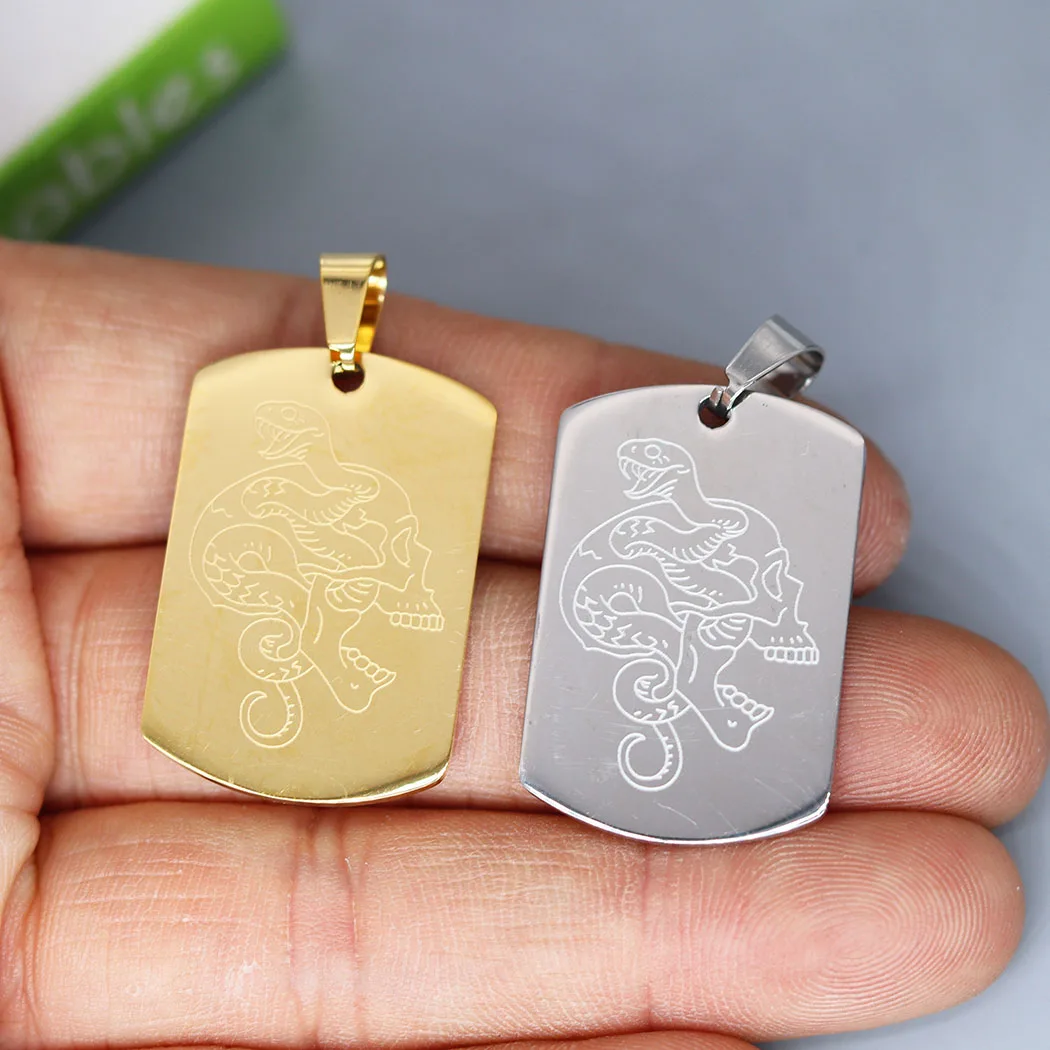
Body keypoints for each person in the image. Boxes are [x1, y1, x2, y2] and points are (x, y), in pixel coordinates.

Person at [0, 240, 1044, 1049]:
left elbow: (733, 566)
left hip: (659, 623)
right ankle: (353, 664)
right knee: (331, 604)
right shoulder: (295, 498)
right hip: (305, 585)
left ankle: (694, 698)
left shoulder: (713, 525)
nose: (650, 486)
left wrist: (752, 606)